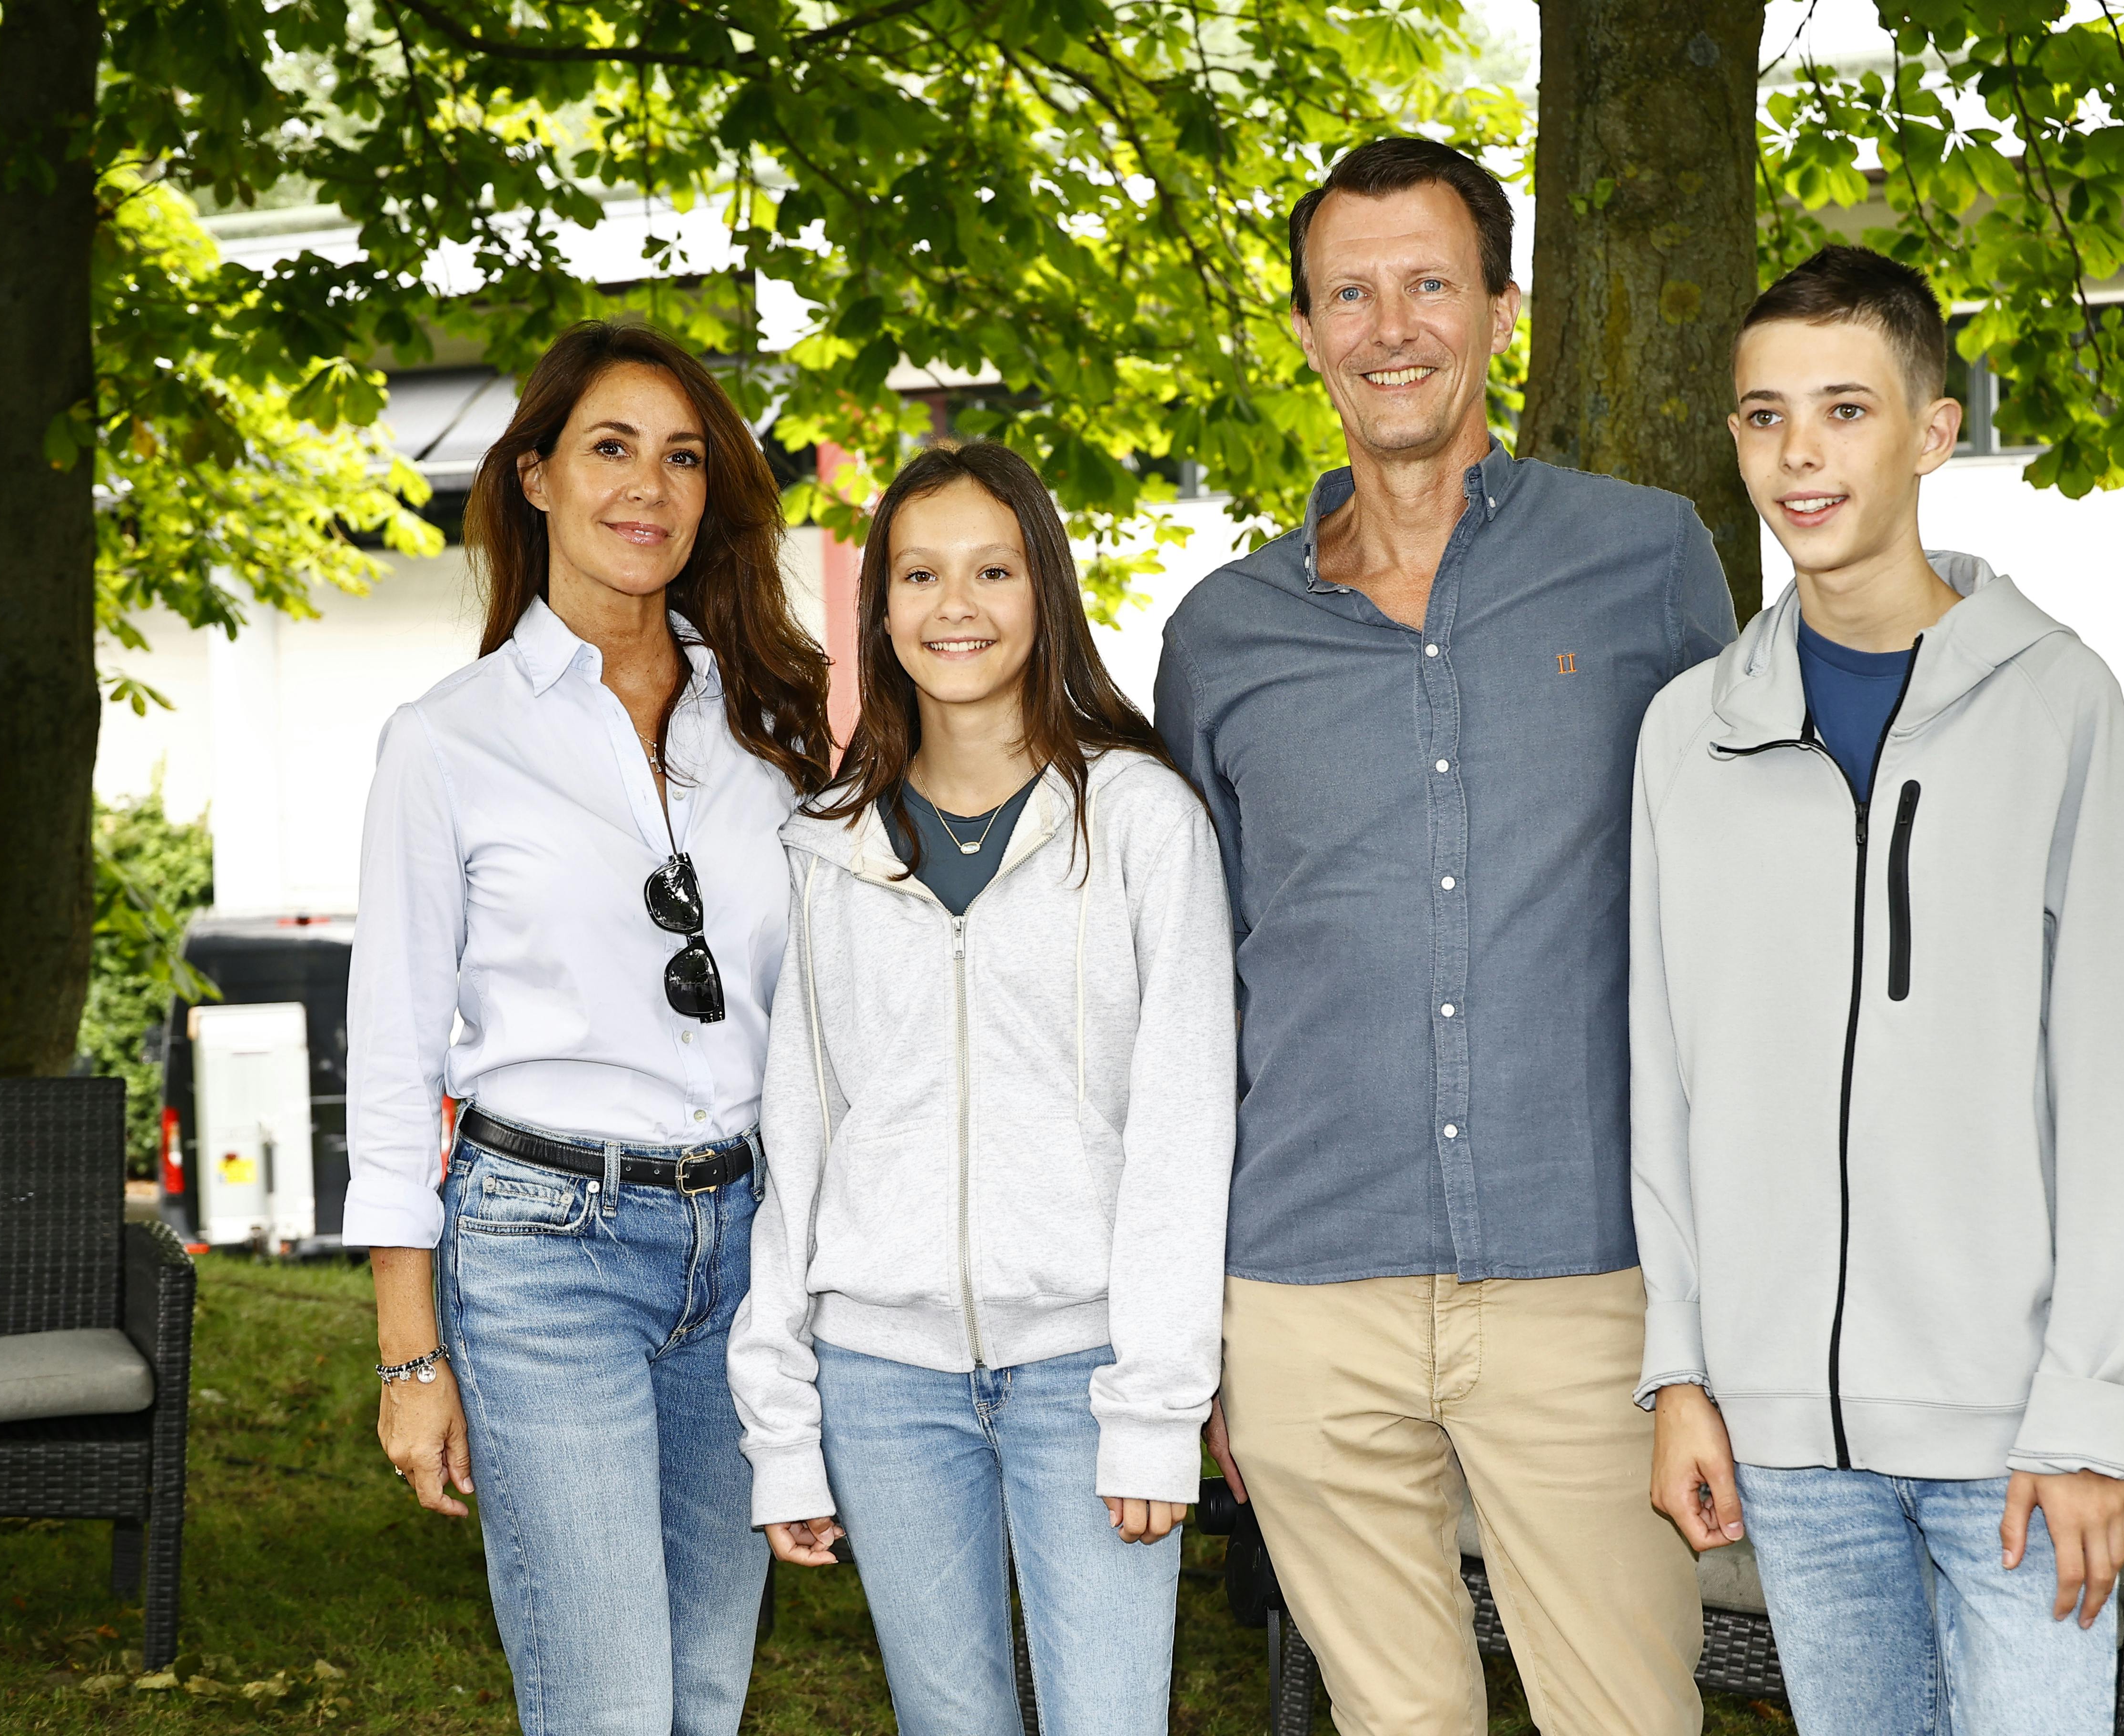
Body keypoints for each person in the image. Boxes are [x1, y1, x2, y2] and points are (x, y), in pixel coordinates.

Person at [1155, 136, 1732, 1733]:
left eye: (1428, 283)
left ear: (1500, 310)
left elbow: (1741, 902)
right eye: (1351, 292)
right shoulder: (1220, 637)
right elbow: (1195, 988)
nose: (1391, 325)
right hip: (1303, 1292)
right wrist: (1193, 1326)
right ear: (1306, 331)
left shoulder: (1649, 559)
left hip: (1583, 1279)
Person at [1630, 244, 2124, 1735]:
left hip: (2018, 1439)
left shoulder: (2058, 703)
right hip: (1790, 1444)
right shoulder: (1687, 737)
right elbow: (1665, 1077)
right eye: (1764, 418)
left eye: (1845, 410)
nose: (1799, 456)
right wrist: (1685, 1373)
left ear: (1933, 432)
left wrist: (2088, 1405)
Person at [346, 318, 835, 1736]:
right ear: (537, 478)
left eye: (684, 457)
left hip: (744, 1249)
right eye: (611, 447)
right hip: (545, 1247)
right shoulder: (448, 741)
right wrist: (408, 1354)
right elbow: (389, 1059)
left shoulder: (767, 730)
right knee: (610, 1703)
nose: (651, 486)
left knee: (702, 1691)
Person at [728, 441, 1235, 1736]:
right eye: (921, 575)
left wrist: (1157, 1408)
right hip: (882, 1380)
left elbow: (1183, 1131)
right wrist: (784, 1425)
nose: (956, 606)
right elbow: (802, 1140)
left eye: (992, 570)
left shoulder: (1140, 822)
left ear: (1043, 592)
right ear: (883, 612)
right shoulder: (829, 849)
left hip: (1090, 1366)